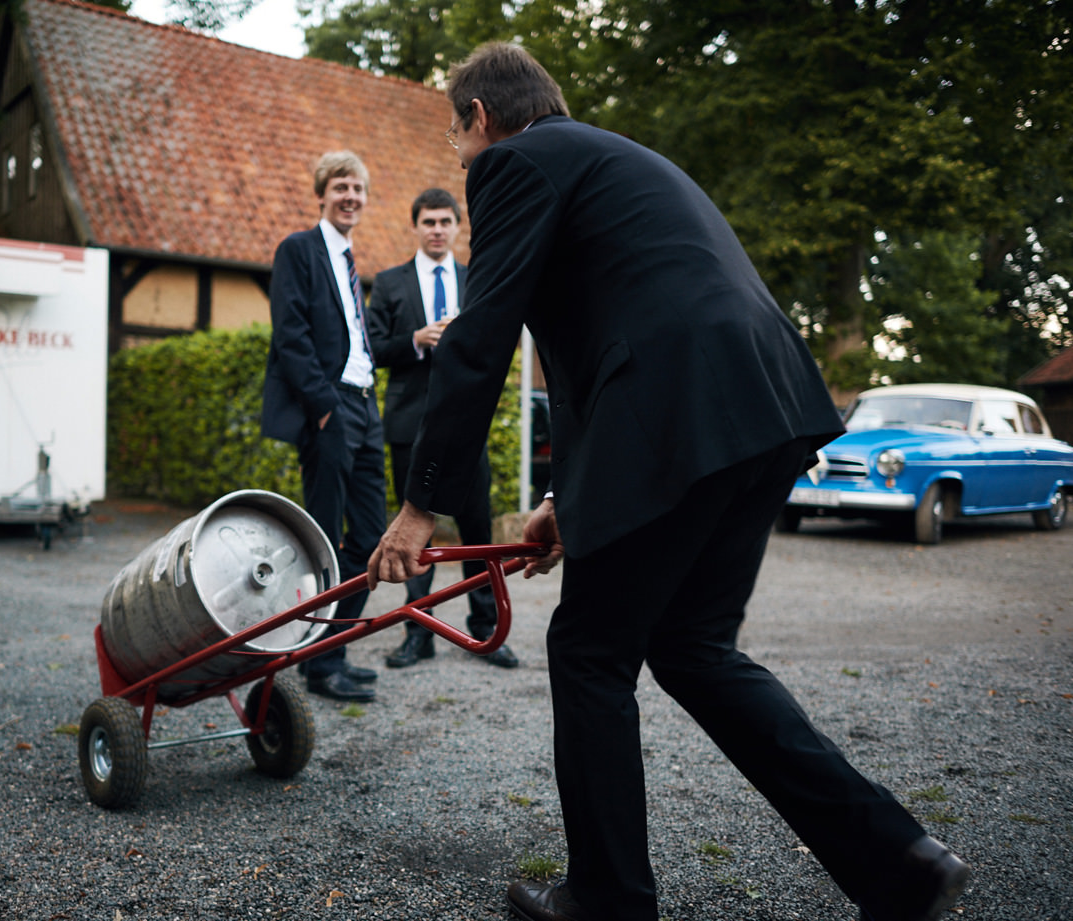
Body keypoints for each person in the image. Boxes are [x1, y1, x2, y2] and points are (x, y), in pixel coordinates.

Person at [368, 42, 969, 921]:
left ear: (482, 121)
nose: (459, 160)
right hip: (765, 402)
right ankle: (902, 861)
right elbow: (596, 347)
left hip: (684, 406)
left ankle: (609, 898)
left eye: (456, 138)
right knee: (692, 647)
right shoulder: (617, 159)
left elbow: (481, 337)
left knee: (588, 651)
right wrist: (562, 503)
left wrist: (421, 504)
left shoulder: (513, 165)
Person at [366, 187, 518, 670]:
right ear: (416, 226)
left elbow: (497, 346)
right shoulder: (389, 283)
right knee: (416, 535)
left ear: (457, 227)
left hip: (467, 427)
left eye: (445, 222)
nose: (436, 229)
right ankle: (418, 632)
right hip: (410, 425)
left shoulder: (477, 280)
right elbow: (370, 348)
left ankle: (485, 627)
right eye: (428, 221)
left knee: (478, 532)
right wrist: (416, 339)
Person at [261, 151, 388, 703]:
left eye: (358, 188)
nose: (351, 196)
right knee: (326, 540)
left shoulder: (352, 261)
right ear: (322, 193)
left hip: (366, 406)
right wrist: (325, 407)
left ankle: (327, 651)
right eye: (341, 186)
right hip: (332, 409)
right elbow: (290, 334)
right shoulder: (299, 250)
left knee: (369, 538)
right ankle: (320, 662)